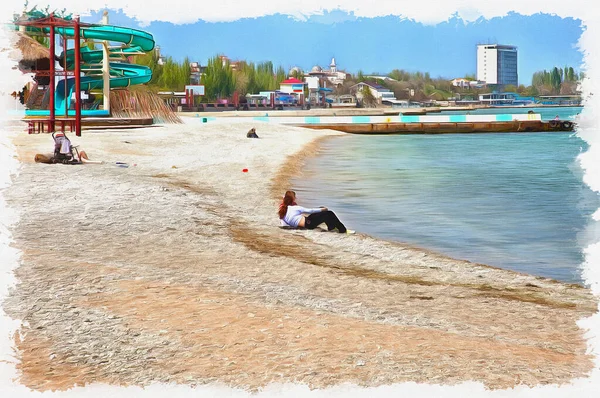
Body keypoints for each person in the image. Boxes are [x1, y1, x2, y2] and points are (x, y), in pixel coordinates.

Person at [278, 190, 354, 234]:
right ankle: (343, 230)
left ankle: (331, 228)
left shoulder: (282, 210)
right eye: (295, 197)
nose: (296, 198)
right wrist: (323, 209)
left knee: (323, 212)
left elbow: (284, 224)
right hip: (309, 224)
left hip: (307, 221)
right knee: (329, 213)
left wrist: (293, 226)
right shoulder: (295, 208)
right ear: (293, 199)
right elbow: (310, 210)